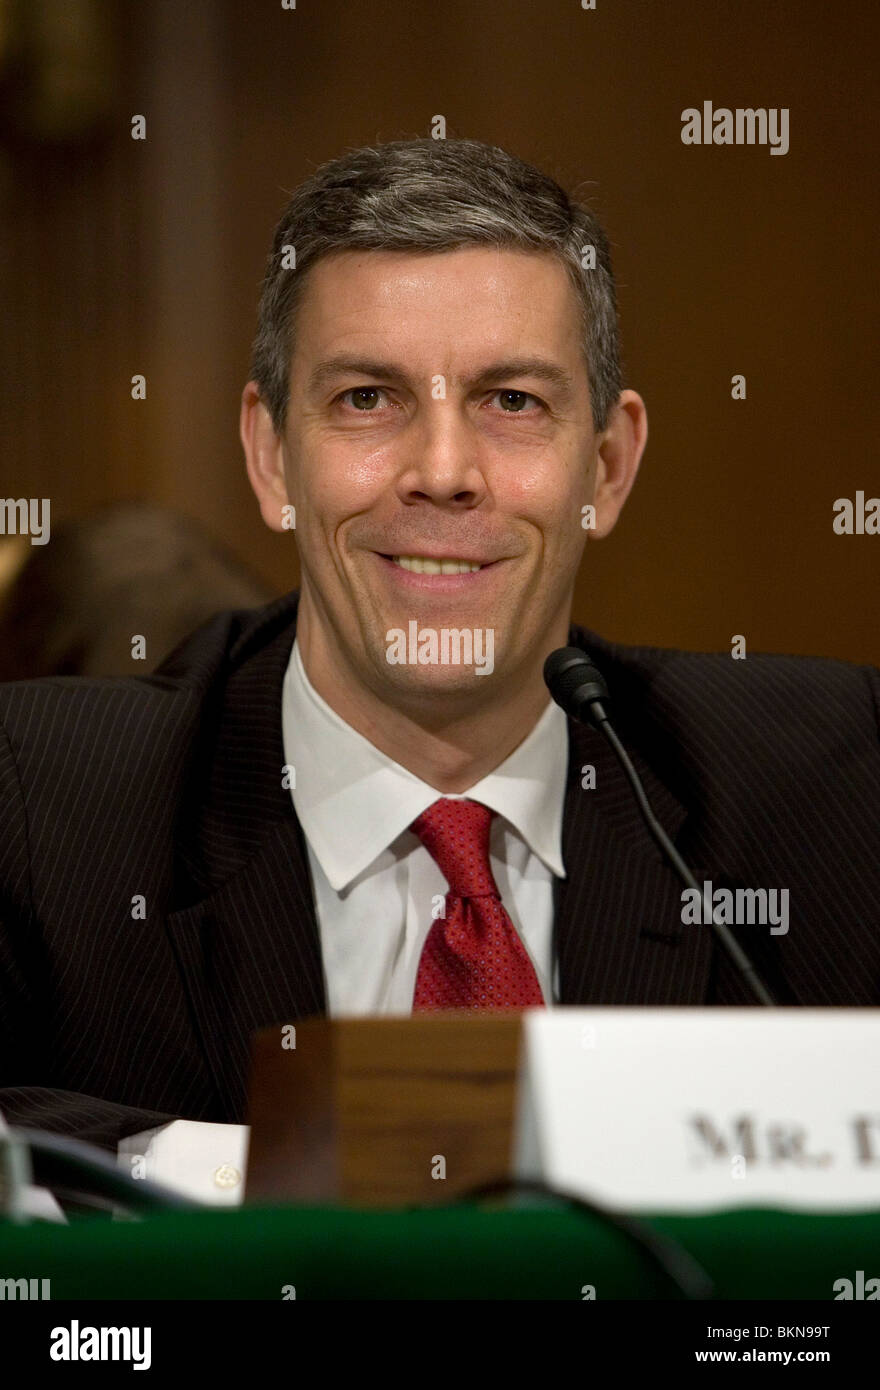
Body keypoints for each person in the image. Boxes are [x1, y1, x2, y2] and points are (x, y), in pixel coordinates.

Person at [1, 140, 879, 1192]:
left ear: (607, 464)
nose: (444, 473)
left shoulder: (830, 786)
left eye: (511, 401)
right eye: (369, 398)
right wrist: (252, 1170)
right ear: (272, 455)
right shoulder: (42, 801)